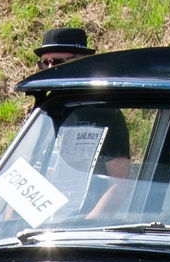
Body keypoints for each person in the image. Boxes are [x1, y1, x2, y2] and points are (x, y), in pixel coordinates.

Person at [33, 27, 131, 218]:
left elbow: (121, 185)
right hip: (38, 229)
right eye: (44, 63)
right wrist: (10, 223)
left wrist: (84, 225)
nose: (49, 69)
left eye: (57, 62)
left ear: (80, 63)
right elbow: (21, 173)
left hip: (81, 230)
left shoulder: (105, 113)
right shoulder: (42, 112)